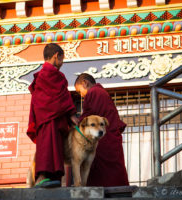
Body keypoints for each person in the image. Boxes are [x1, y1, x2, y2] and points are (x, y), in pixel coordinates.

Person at [27, 43, 78, 188]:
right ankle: (41, 177)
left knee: (54, 148)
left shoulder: (43, 75)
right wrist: (71, 113)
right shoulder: (50, 74)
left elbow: (57, 97)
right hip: (48, 119)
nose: (62, 64)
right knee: (48, 148)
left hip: (50, 118)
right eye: (61, 59)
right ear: (56, 56)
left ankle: (52, 178)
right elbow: (60, 97)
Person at [74, 73, 129, 187]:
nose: (82, 96)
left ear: (85, 83)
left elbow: (88, 118)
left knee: (99, 170)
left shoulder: (93, 93)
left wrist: (77, 122)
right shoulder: (102, 92)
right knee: (114, 169)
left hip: (104, 139)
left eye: (80, 92)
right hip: (111, 137)